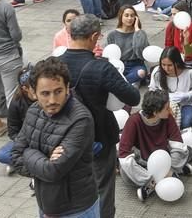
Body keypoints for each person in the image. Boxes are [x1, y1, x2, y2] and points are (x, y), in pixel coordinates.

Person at [58, 14, 140, 218]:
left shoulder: (54, 64)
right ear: (94, 36)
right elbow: (133, 96)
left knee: (69, 188)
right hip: (98, 139)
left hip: (63, 140)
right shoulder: (101, 67)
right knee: (102, 188)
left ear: (69, 33)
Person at [11, 57, 99, 217]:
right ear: (33, 92)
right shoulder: (33, 112)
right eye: (45, 93)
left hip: (77, 210)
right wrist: (42, 159)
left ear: (67, 88)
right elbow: (15, 157)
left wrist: (29, 153)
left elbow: (53, 171)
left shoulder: (80, 119)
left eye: (58, 91)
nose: (52, 100)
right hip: (45, 204)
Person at [118, 89, 192, 201]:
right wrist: (148, 177)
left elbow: (177, 143)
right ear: (155, 112)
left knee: (188, 150)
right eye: (167, 108)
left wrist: (170, 167)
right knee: (125, 173)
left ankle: (153, 184)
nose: (170, 110)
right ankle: (171, 174)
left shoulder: (167, 118)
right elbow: (124, 155)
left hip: (164, 158)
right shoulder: (133, 121)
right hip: (143, 161)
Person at [0, 0, 23, 137]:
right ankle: (16, 130)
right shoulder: (5, 7)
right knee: (12, 94)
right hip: (8, 57)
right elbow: (16, 35)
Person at [149, 47, 192, 129]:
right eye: (163, 65)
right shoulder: (157, 72)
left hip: (187, 103)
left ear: (177, 62)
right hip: (164, 104)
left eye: (170, 65)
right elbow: (152, 89)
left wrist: (186, 95)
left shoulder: (190, 73)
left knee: (186, 122)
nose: (166, 68)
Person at [0, 67, 35, 171]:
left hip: (46, 140)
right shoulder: (17, 102)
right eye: (33, 86)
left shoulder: (45, 97)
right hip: (27, 141)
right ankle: (30, 163)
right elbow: (13, 131)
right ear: (25, 89)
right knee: (1, 154)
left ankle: (25, 163)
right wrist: (24, 142)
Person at [106, 6, 150, 85]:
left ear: (136, 18)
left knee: (141, 73)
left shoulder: (140, 33)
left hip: (136, 64)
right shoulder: (112, 35)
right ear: (121, 16)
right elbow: (109, 54)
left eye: (132, 15)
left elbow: (141, 53)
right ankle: (131, 82)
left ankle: (121, 83)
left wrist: (137, 30)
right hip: (119, 65)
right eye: (126, 15)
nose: (129, 18)